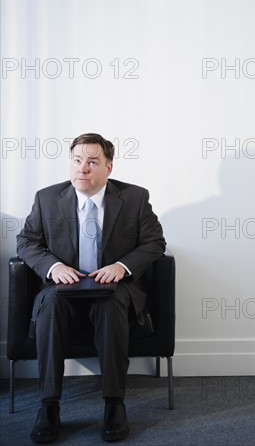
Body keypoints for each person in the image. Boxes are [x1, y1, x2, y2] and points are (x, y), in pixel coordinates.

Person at [16, 133, 166, 443]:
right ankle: (48, 406)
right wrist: (53, 267)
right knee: (52, 305)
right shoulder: (46, 198)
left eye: (92, 162)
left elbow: (155, 242)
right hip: (62, 289)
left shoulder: (135, 198)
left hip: (114, 288)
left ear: (109, 167)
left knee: (109, 305)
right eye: (77, 160)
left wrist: (121, 267)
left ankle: (114, 404)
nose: (82, 168)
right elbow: (27, 242)